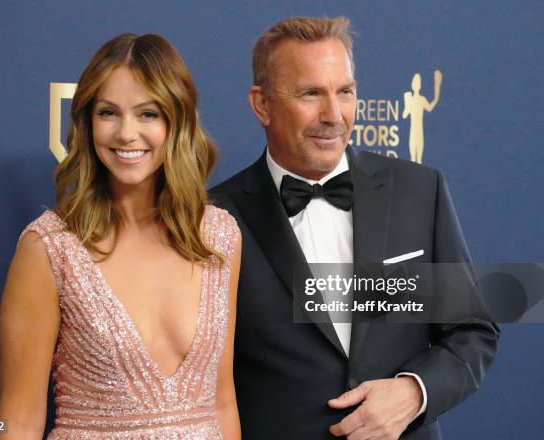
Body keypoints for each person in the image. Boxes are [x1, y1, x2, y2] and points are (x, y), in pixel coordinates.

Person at [211, 17, 499, 439]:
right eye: (310, 93)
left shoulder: (419, 190)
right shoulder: (214, 216)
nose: (334, 115)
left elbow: (473, 331)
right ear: (262, 104)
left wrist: (414, 391)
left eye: (345, 92)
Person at [0, 33, 241, 439]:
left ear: (176, 121)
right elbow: (19, 421)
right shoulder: (50, 248)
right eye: (109, 113)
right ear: (87, 122)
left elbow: (222, 402)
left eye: (147, 114)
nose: (126, 133)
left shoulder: (220, 237)